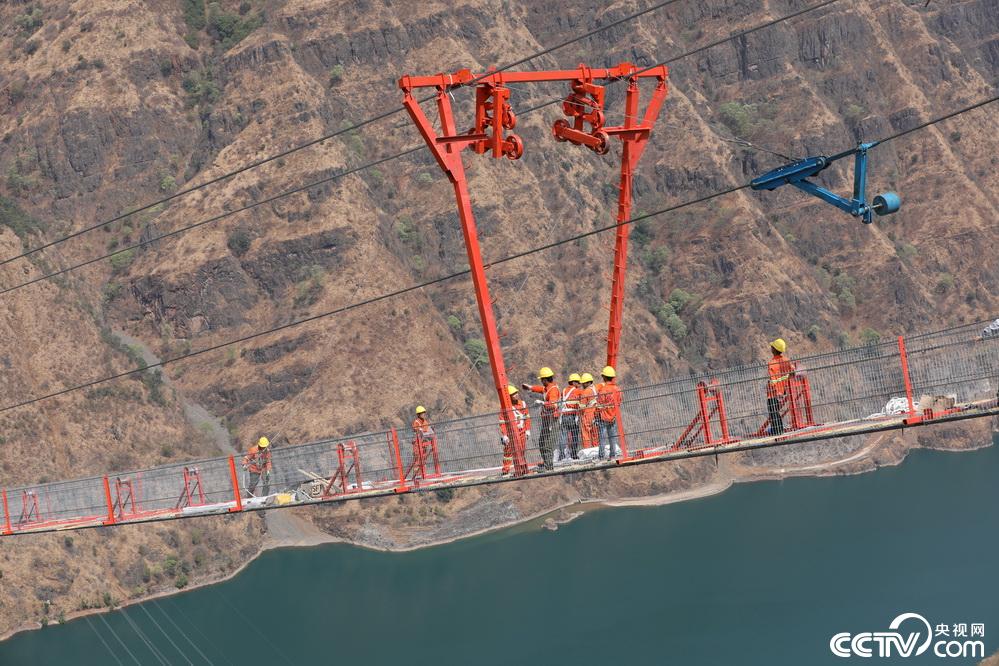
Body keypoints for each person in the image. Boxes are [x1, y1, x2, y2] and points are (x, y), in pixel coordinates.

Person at [522, 367, 560, 471]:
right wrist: (530, 388)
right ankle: (545, 463)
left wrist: (542, 403)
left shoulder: (553, 390)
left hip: (553, 421)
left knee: (547, 445)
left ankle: (548, 466)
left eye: (542, 380)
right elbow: (541, 389)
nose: (541, 381)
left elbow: (553, 405)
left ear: (545, 379)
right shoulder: (548, 388)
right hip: (547, 420)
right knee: (542, 442)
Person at [499, 385, 531, 475]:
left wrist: (528, 430)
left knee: (521, 450)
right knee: (508, 452)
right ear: (509, 397)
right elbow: (502, 422)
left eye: (516, 393)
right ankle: (506, 469)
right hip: (511, 433)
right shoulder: (504, 408)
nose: (516, 395)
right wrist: (505, 435)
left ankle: (522, 469)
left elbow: (527, 418)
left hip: (521, 431)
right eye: (513, 394)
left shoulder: (523, 404)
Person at [766, 338, 795, 435]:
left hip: (773, 392)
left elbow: (772, 378)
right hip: (783, 390)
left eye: (772, 347)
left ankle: (777, 430)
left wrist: (773, 386)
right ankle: (778, 429)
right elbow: (792, 372)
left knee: (773, 411)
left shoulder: (772, 363)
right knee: (775, 411)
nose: (771, 348)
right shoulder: (786, 361)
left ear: (774, 350)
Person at [596, 366, 622, 459]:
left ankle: (601, 456)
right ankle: (612, 455)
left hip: (603, 417)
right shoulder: (618, 389)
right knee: (612, 436)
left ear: (604, 377)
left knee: (602, 437)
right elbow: (619, 402)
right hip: (613, 416)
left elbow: (599, 403)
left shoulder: (603, 390)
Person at [559, 373, 583, 460]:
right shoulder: (578, 391)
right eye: (578, 382)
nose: (579, 385)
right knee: (575, 435)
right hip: (572, 416)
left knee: (563, 436)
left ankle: (561, 455)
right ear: (573, 382)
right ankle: (573, 454)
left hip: (564, 416)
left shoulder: (564, 390)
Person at [578, 372, 599, 450]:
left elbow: (582, 407)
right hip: (596, 413)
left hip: (588, 414)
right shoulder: (595, 389)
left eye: (583, 383)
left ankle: (587, 451)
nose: (582, 385)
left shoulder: (586, 391)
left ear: (587, 382)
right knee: (595, 434)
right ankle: (596, 450)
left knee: (585, 434)